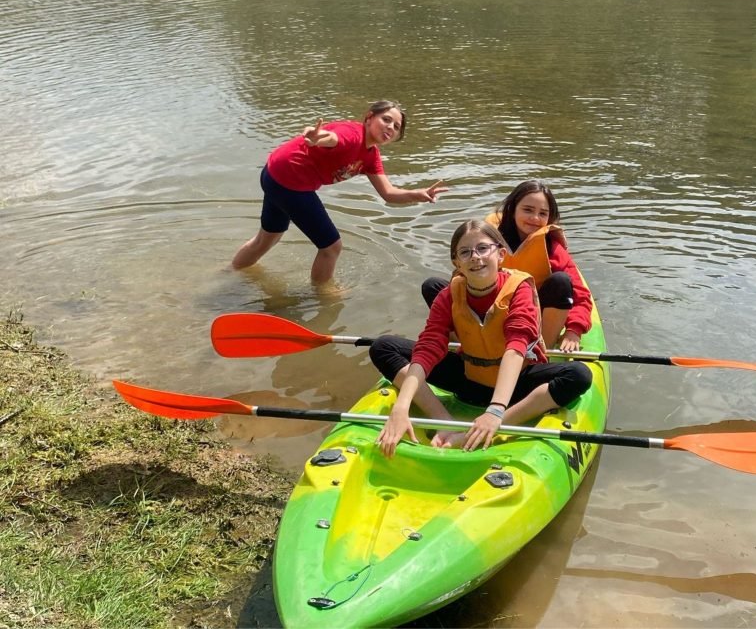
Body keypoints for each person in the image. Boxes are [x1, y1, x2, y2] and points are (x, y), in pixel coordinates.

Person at [370, 220, 592, 456]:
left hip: (517, 385)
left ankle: (492, 426)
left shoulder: (519, 288)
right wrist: (401, 407)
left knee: (578, 375)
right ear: (457, 263)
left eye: (483, 248)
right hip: (470, 378)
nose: (475, 257)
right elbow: (428, 346)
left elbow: (517, 345)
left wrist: (495, 411)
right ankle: (444, 422)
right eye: (465, 252)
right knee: (383, 347)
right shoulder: (448, 295)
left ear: (501, 254)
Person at [231, 100, 448, 284]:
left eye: (396, 126)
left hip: (274, 175)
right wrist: (319, 137)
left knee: (267, 239)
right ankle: (323, 296)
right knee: (331, 248)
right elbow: (333, 138)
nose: (390, 127)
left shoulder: (371, 156)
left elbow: (388, 193)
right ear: (369, 117)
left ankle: (229, 273)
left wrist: (418, 194)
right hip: (290, 182)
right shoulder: (353, 135)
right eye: (386, 120)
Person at [421, 180, 592, 351]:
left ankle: (539, 351)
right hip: (490, 308)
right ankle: (464, 347)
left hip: (531, 317)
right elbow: (462, 275)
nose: (535, 218)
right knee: (432, 286)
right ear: (512, 210)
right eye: (528, 210)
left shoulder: (553, 249)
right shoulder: (489, 240)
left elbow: (581, 295)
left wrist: (574, 330)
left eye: (543, 213)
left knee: (561, 281)